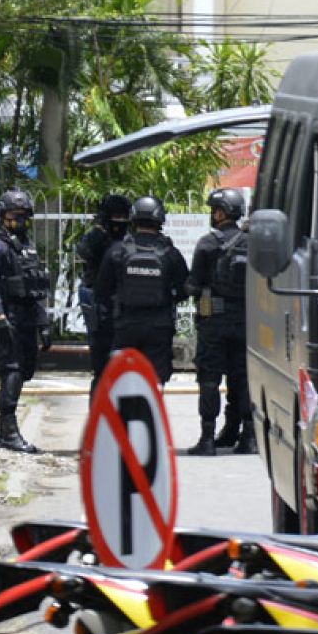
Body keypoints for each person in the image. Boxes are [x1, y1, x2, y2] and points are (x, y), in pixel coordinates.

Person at [0, 188, 51, 454]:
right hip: (6, 321)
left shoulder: (26, 248)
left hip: (27, 320)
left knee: (23, 372)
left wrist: (43, 323)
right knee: (12, 372)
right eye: (13, 215)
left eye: (23, 215)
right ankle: (8, 433)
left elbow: (36, 289)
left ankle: (3, 433)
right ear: (2, 217)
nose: (18, 220)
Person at [186, 188, 254, 456]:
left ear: (220, 212)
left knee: (210, 379)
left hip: (214, 321)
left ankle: (207, 439)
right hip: (246, 321)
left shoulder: (207, 244)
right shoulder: (252, 243)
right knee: (245, 378)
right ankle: (247, 437)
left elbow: (193, 284)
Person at [93, 195, 188, 385]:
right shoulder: (170, 253)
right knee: (156, 380)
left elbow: (102, 291)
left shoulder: (117, 251)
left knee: (120, 377)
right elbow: (185, 289)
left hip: (126, 326)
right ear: (160, 220)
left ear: (133, 218)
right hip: (159, 327)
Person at [75, 193, 131, 398]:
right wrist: (99, 235)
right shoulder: (96, 236)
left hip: (122, 301)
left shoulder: (129, 239)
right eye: (115, 216)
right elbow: (83, 252)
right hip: (98, 299)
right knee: (100, 358)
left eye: (122, 217)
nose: (119, 222)